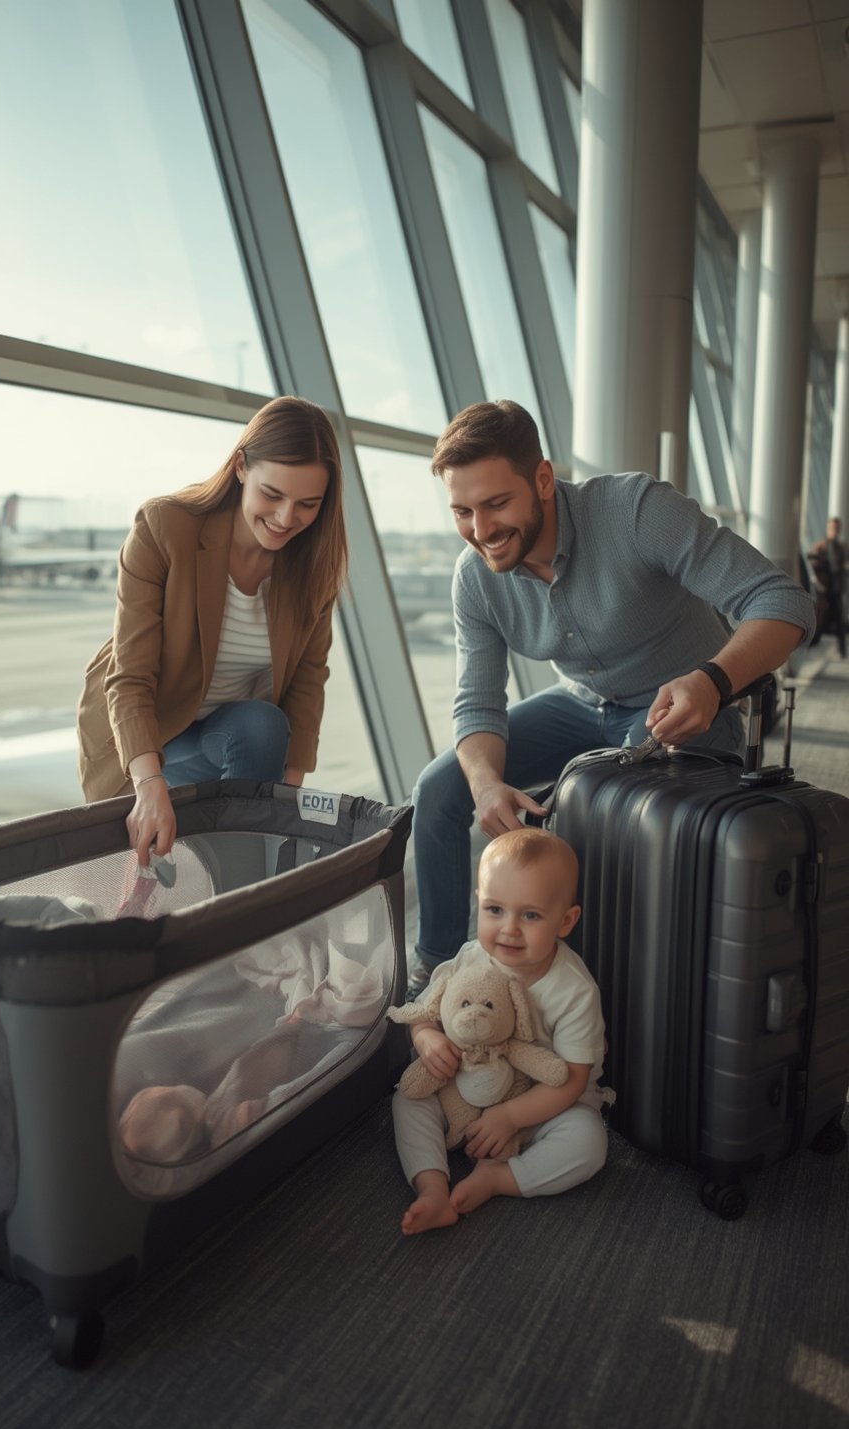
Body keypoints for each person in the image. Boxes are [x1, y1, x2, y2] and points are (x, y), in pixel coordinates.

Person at [407, 399, 817, 992]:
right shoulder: (474, 579)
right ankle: (440, 975)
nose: (481, 529)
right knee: (438, 792)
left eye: (497, 503)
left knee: (601, 813)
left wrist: (714, 680)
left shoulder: (635, 510)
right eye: (462, 511)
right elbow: (477, 705)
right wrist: (486, 784)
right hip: (580, 701)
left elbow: (785, 603)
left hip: (684, 702)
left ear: (543, 480)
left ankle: (576, 994)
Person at [77, 396, 348, 863]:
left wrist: (285, 810)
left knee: (263, 726)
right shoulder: (165, 526)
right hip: (150, 737)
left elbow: (308, 684)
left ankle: (239, 897)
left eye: (308, 504)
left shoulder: (313, 563)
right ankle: (239, 899)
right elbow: (130, 677)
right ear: (241, 466)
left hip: (234, 737)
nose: (287, 519)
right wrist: (147, 785)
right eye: (273, 495)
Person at [392, 827, 611, 1234]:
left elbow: (573, 1078)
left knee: (588, 1142)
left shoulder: (574, 990)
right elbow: (424, 1007)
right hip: (465, 1086)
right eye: (495, 910)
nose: (509, 928)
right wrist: (426, 1037)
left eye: (530, 915)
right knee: (408, 1099)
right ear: (479, 904)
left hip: (540, 1105)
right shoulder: (470, 957)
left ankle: (500, 1178)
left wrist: (510, 1117)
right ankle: (432, 1188)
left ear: (565, 921)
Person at [808, 517, 847, 659]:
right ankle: (809, 646)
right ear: (828, 529)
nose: (834, 531)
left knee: (839, 620)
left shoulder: (842, 548)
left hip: (836, 589)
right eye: (832, 528)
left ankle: (842, 651)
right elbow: (812, 564)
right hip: (823, 590)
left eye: (836, 528)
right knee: (818, 620)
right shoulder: (821, 546)